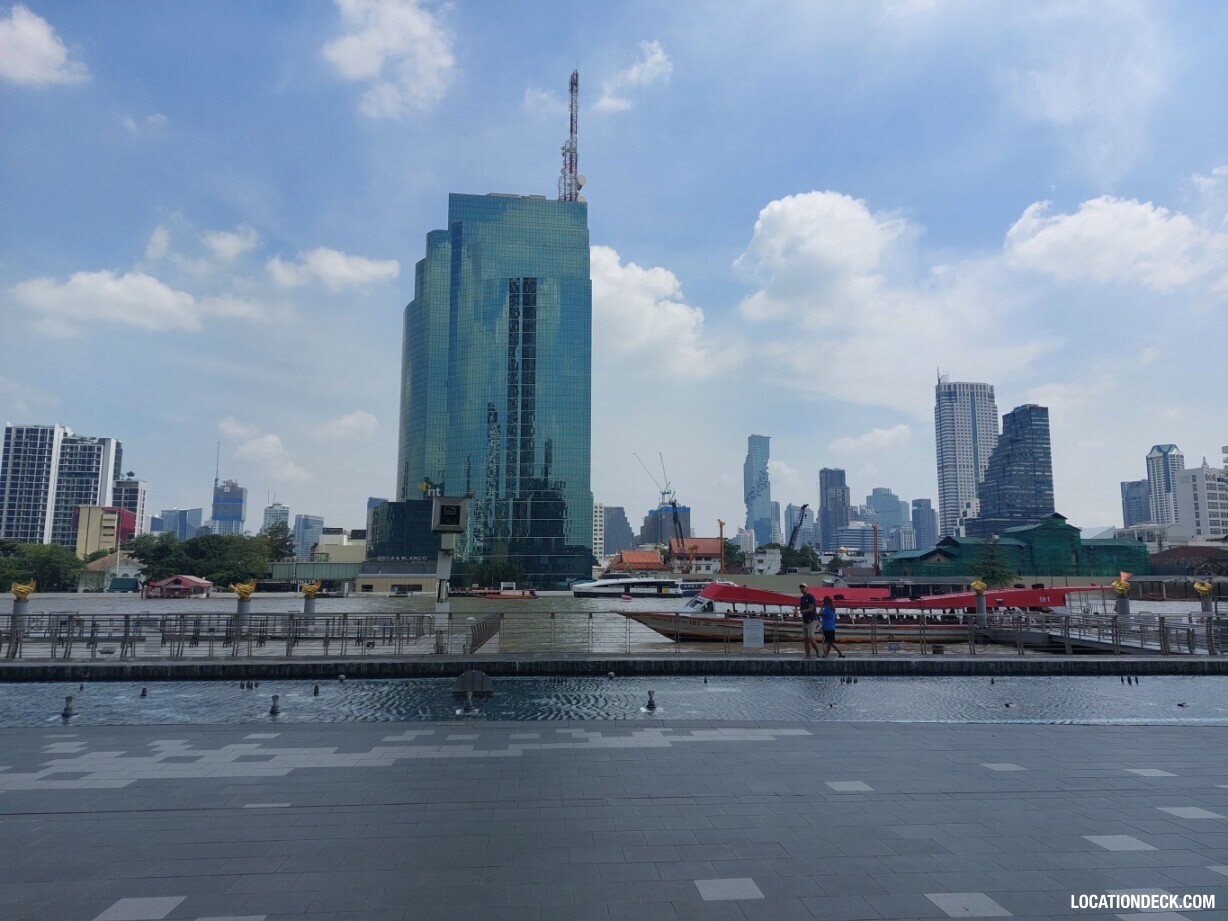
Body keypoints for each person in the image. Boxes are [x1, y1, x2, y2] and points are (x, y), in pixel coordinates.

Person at [799, 584, 820, 658]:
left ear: (807, 588)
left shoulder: (811, 597)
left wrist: (804, 611)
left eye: (803, 587)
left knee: (810, 637)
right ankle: (807, 654)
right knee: (805, 639)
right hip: (804, 619)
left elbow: (811, 609)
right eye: (801, 588)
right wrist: (800, 611)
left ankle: (818, 652)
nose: (802, 589)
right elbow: (801, 608)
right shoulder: (802, 598)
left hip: (812, 619)